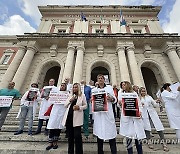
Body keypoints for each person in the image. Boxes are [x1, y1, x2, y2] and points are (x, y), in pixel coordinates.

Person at [118, 81, 146, 154]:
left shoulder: (134, 94)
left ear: (128, 85)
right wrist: (120, 104)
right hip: (127, 118)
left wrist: (140, 112)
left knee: (138, 140)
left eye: (124, 85)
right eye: (122, 85)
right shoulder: (121, 94)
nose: (123, 86)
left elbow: (139, 105)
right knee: (128, 140)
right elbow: (119, 105)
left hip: (135, 118)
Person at [92, 74, 117, 154]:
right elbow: (93, 101)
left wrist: (112, 99)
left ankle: (114, 152)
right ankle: (100, 152)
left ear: (104, 79)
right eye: (98, 78)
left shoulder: (109, 88)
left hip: (108, 114)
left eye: (101, 78)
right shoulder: (94, 90)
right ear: (97, 80)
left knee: (111, 135)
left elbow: (115, 99)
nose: (100, 80)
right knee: (99, 136)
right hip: (99, 115)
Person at [139, 87, 169, 151]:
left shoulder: (149, 97)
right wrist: (141, 105)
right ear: (140, 92)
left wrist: (157, 102)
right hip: (144, 115)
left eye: (144, 91)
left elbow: (155, 104)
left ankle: (163, 142)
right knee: (147, 129)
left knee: (159, 128)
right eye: (142, 91)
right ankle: (149, 142)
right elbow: (138, 106)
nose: (143, 92)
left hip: (152, 113)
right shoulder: (139, 99)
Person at [62, 83, 87, 154]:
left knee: (77, 137)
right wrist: (70, 100)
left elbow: (86, 106)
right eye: (74, 87)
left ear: (78, 88)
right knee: (70, 137)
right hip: (69, 119)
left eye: (76, 87)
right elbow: (65, 105)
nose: (74, 89)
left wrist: (79, 107)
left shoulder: (82, 96)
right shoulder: (70, 95)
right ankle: (70, 152)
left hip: (77, 119)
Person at [46, 83, 68, 150]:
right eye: (61, 85)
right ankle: (50, 142)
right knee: (52, 126)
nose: (62, 87)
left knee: (58, 127)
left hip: (62, 111)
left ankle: (55, 142)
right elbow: (50, 102)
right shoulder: (55, 93)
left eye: (63, 86)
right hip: (54, 111)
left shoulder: (67, 94)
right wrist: (48, 98)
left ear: (65, 87)